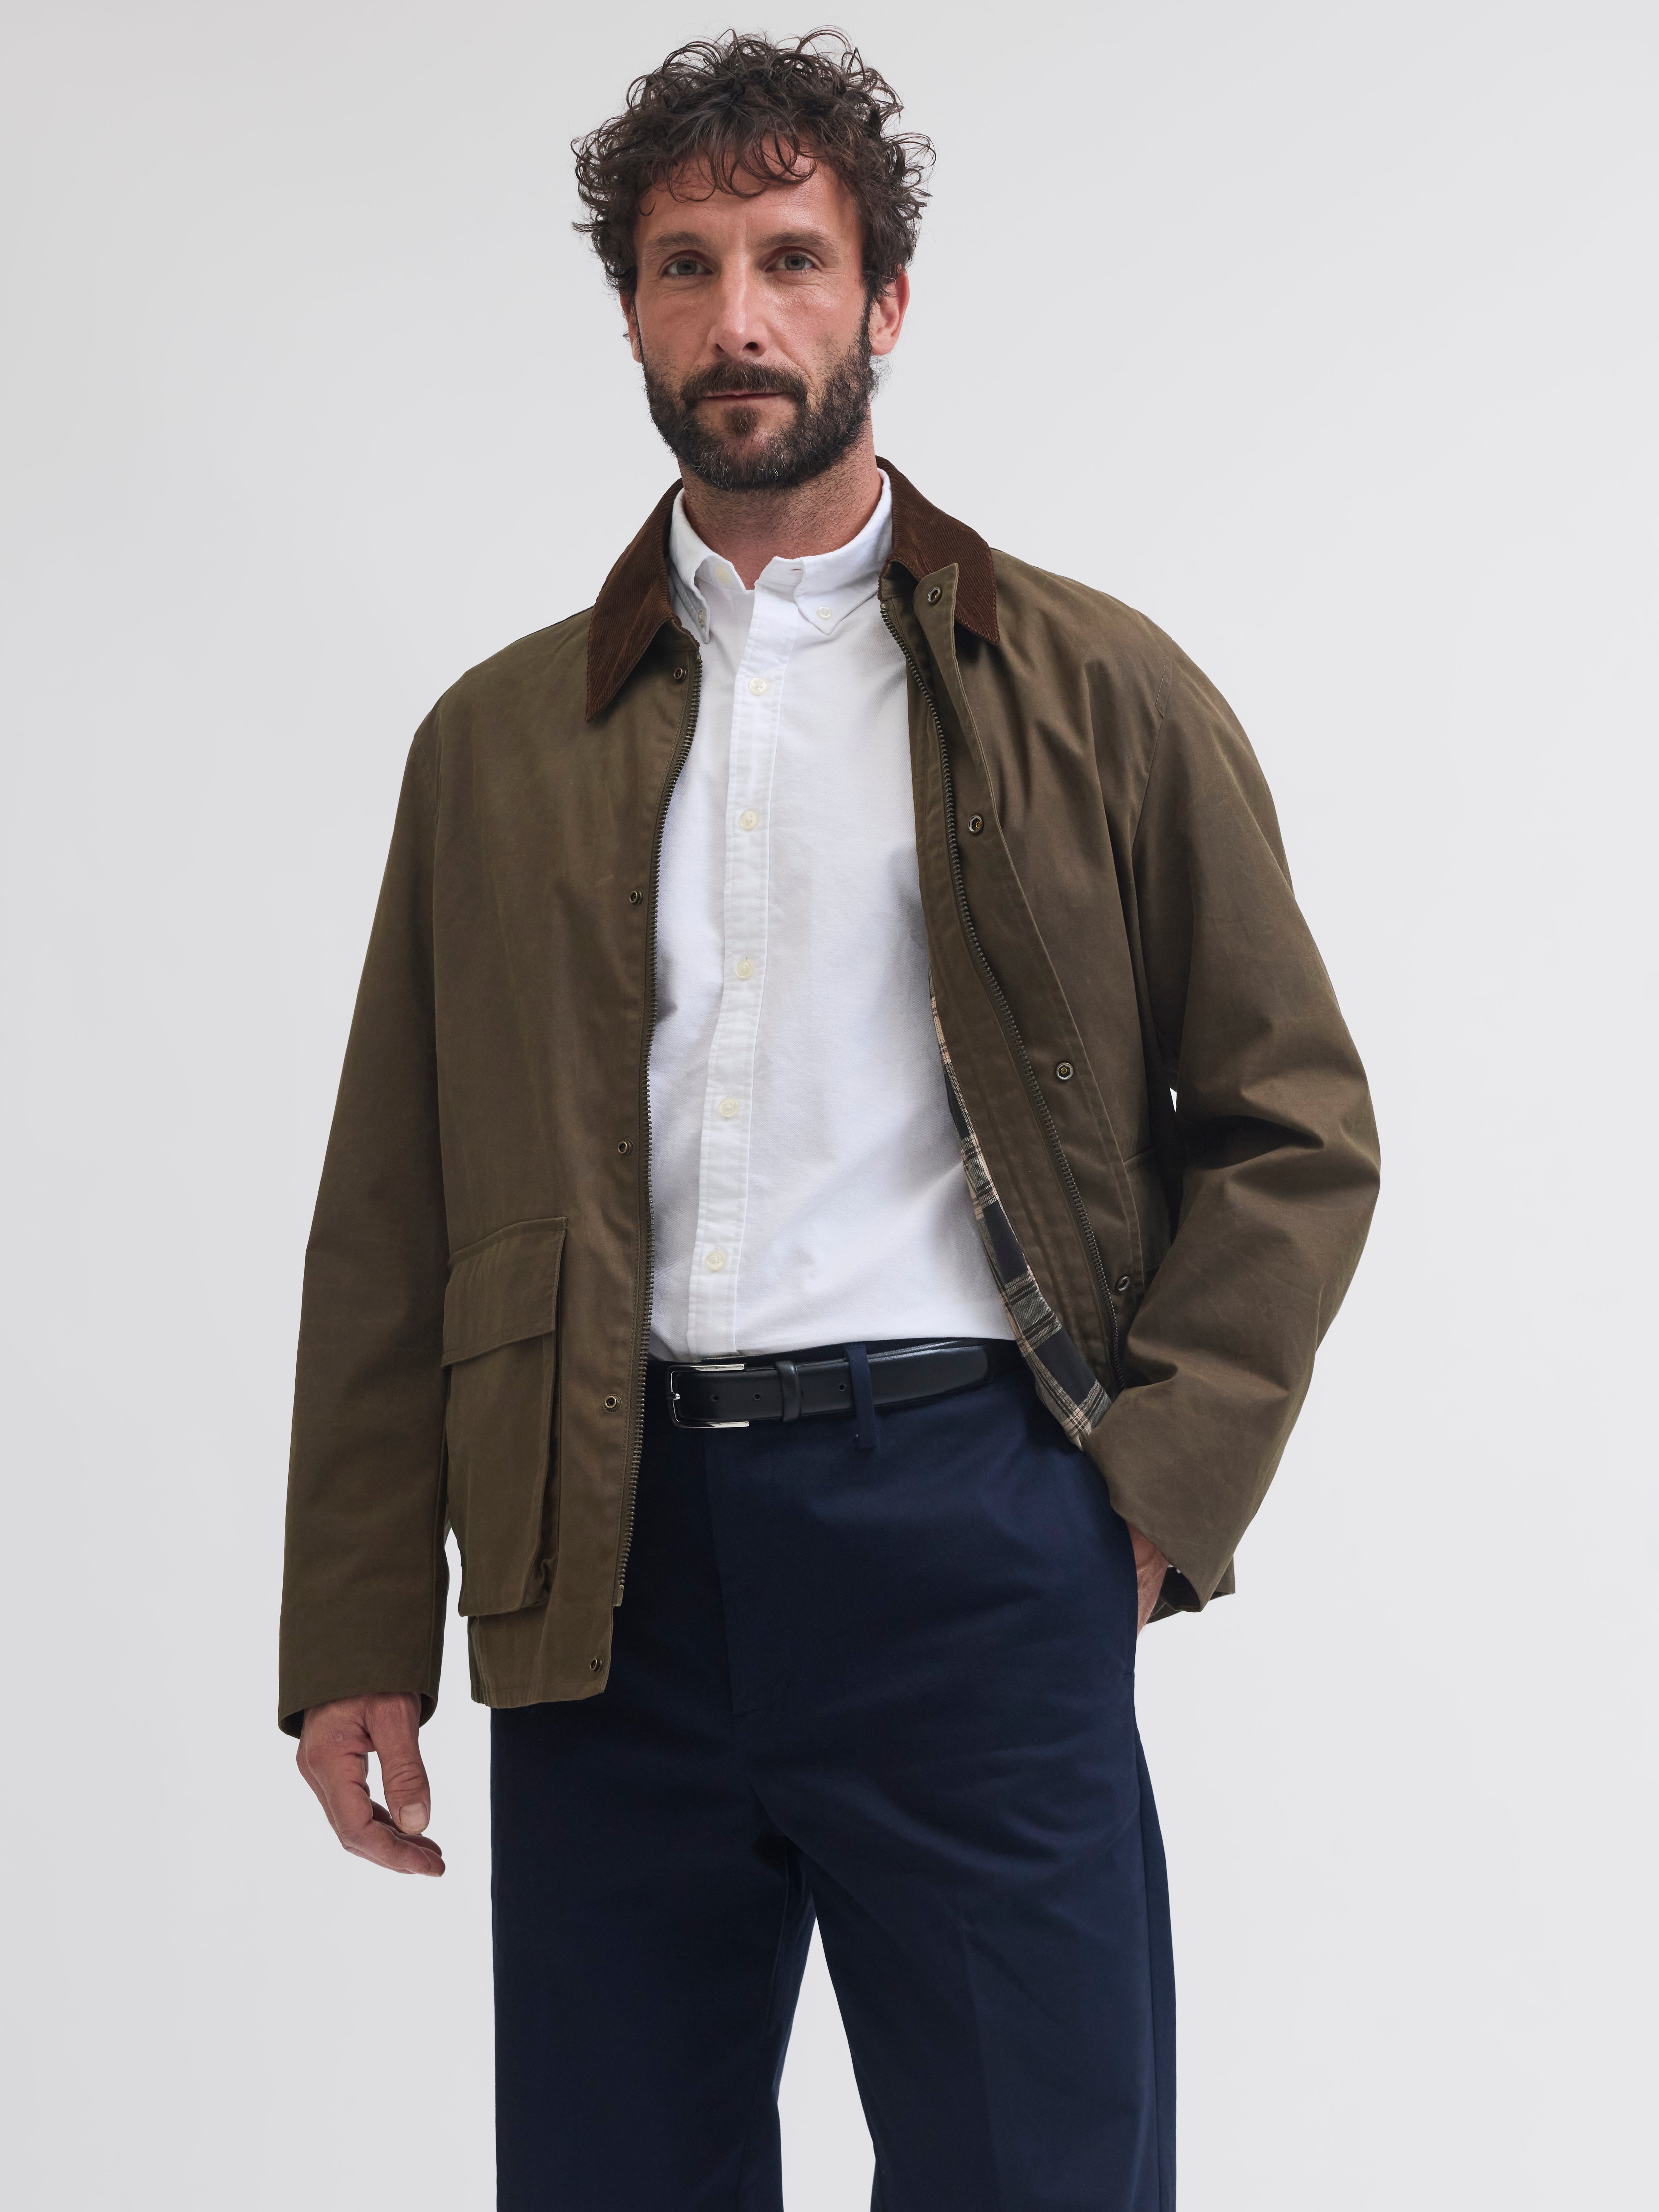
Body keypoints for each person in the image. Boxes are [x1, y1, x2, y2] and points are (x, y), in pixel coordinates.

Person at [279, 30, 1379, 2212]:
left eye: (789, 259)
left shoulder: (1096, 690)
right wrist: (351, 1634)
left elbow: (1291, 1122)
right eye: (684, 267)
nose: (738, 318)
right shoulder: (496, 741)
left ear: (883, 301)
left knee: (1034, 2173)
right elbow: (391, 1210)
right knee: (612, 2176)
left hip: (969, 1536)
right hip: (604, 1566)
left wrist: (1140, 1497)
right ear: (631, 315)